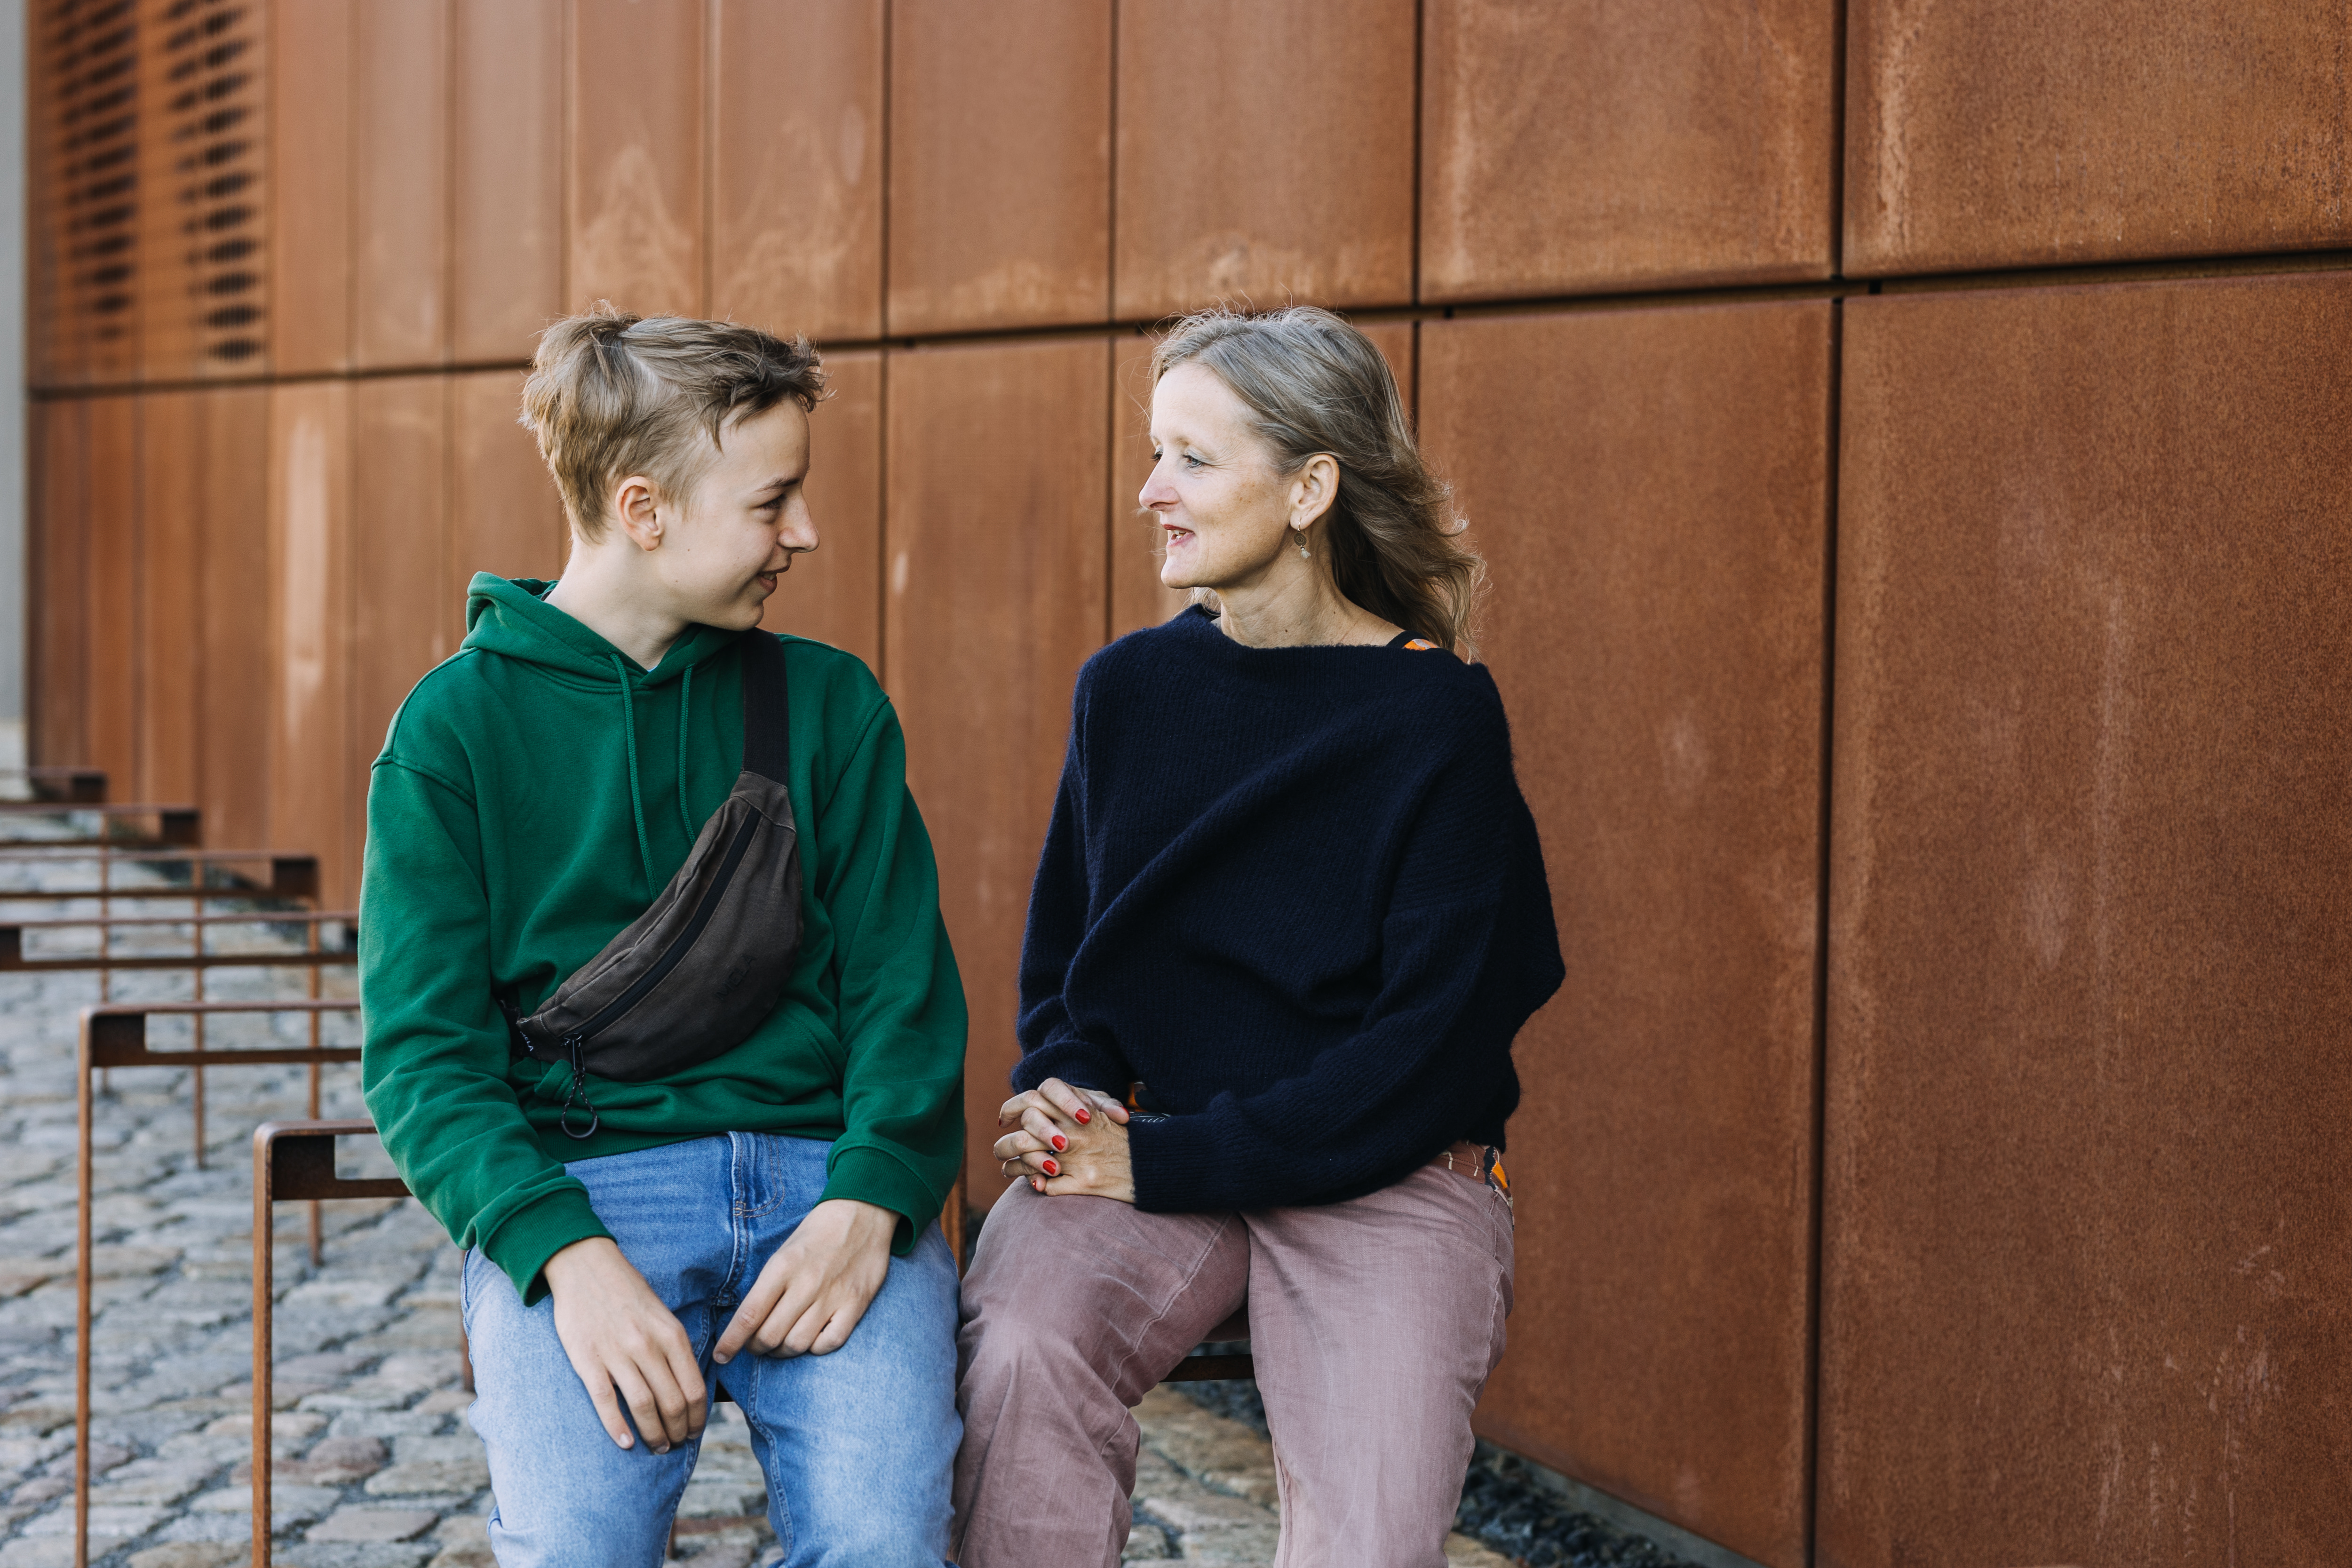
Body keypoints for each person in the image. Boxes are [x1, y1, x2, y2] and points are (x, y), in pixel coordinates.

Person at [952, 306, 1565, 1568]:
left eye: (1192, 458)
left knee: (1370, 1532)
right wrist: (1067, 1084)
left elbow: (1431, 1046)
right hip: (1155, 1148)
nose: (1151, 490)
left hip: (1390, 1171)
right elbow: (1072, 970)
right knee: (1016, 1353)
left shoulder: (1435, 718)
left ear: (1308, 490)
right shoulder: (1129, 691)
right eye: (1155, 452)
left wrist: (1162, 1160)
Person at [359, 308, 966, 1568]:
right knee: (575, 1551)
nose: (804, 532)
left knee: (884, 1546)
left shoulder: (832, 705)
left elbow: (904, 999)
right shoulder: (452, 731)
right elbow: (423, 1060)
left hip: (826, 1184)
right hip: (583, 1193)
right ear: (644, 510)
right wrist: (564, 1257)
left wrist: (871, 1202)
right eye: (773, 502)